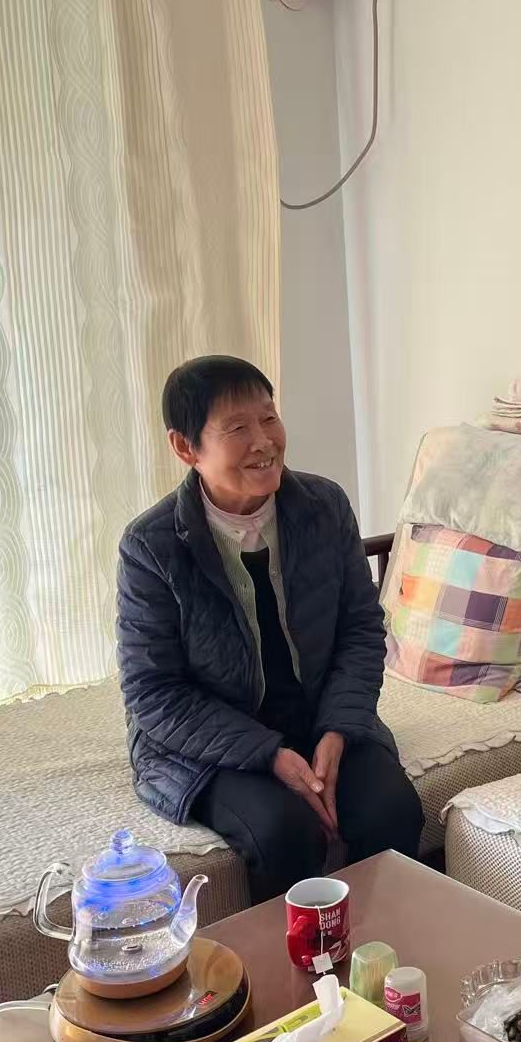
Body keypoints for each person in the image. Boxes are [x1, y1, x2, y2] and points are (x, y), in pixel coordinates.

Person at [117, 355, 422, 902]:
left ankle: (383, 950)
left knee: (392, 811)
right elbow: (152, 692)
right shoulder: (150, 546)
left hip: (319, 718)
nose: (264, 441)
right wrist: (269, 754)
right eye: (237, 428)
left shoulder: (324, 506)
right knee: (283, 832)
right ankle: (297, 960)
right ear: (186, 447)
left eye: (269, 418)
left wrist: (338, 730)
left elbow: (359, 629)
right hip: (209, 744)